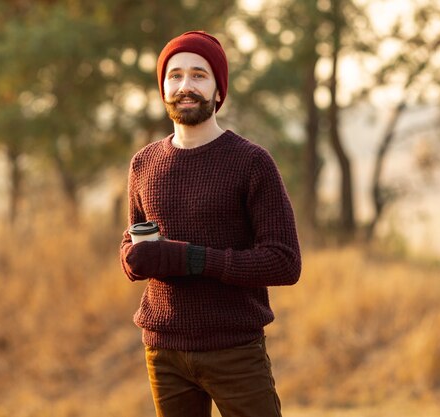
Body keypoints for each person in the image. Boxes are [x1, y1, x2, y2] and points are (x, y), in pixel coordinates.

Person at [119, 30, 301, 417]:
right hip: (163, 349)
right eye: (176, 75)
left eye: (199, 75)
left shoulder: (251, 163)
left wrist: (192, 259)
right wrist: (132, 259)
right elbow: (130, 237)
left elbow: (284, 262)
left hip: (234, 349)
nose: (186, 86)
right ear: (163, 87)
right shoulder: (143, 163)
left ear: (219, 90)